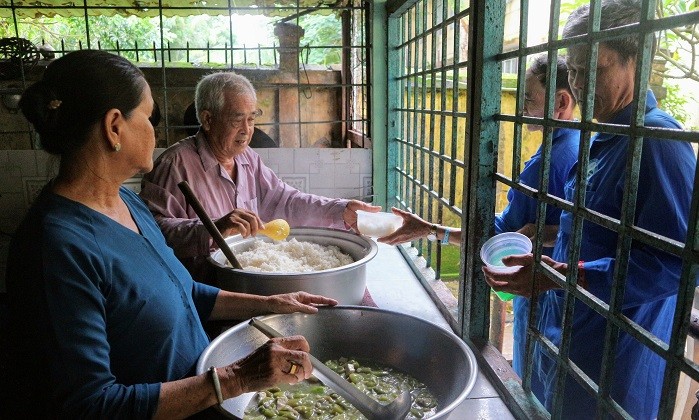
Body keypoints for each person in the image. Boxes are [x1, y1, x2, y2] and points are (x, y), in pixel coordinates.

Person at [3, 49, 338, 419]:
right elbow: (89, 405)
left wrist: (270, 303)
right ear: (114, 127)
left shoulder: (128, 203)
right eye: (148, 117)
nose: (155, 130)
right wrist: (237, 378)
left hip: (200, 396)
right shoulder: (56, 249)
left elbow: (184, 292)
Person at [483, 1, 696, 418]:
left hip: (615, 360)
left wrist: (571, 276)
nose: (578, 85)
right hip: (569, 337)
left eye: (592, 70)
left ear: (638, 60)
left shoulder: (656, 142)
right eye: (575, 70)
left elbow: (679, 265)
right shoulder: (601, 136)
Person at [379, 54, 580, 400]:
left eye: (529, 99)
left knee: (532, 391)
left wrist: (430, 230)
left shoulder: (548, 164)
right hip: (566, 310)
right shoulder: (581, 149)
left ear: (561, 101)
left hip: (540, 306)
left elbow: (497, 238)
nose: (521, 108)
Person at [140, 71, 379, 282]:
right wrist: (213, 229)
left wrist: (340, 210)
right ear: (208, 119)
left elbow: (286, 201)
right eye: (237, 120)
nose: (247, 130)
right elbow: (150, 232)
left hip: (246, 283)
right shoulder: (174, 164)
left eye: (252, 119)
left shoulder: (248, 159)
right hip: (203, 292)